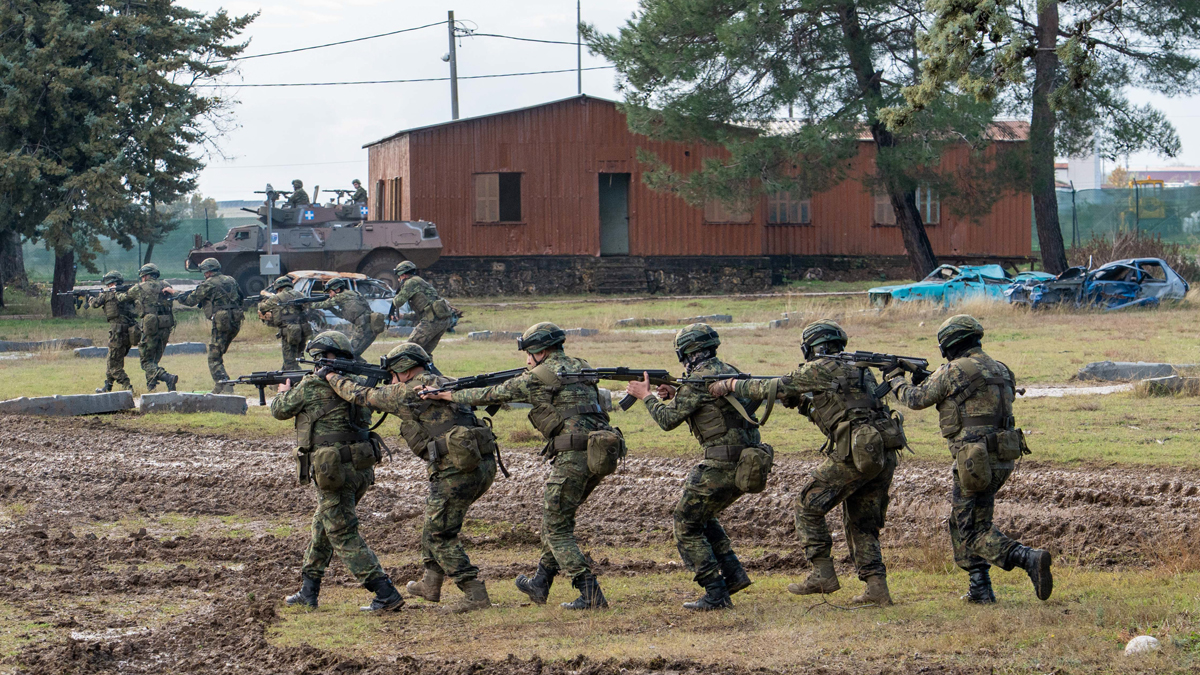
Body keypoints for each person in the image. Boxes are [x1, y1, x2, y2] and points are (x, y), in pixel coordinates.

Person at [421, 322, 622, 610]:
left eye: (529, 353)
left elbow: (490, 394)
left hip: (573, 457)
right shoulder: (582, 366)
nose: (527, 360)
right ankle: (541, 582)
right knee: (556, 520)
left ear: (540, 351)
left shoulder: (539, 376)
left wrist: (445, 395)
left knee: (557, 529)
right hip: (599, 453)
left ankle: (590, 593)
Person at [708, 320, 906, 606]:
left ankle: (822, 574)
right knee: (863, 522)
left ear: (810, 347)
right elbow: (840, 412)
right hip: (882, 452)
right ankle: (877, 589)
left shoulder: (819, 368)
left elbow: (771, 387)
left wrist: (729, 384)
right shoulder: (860, 370)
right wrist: (803, 404)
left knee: (808, 505)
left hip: (854, 453)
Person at [886, 314, 1052, 604]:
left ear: (949, 345)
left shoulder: (953, 370)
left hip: (974, 461)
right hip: (1002, 457)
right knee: (963, 521)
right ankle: (980, 588)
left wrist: (894, 379)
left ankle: (1027, 558)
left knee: (971, 531)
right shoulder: (1001, 368)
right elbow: (976, 398)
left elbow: (915, 399)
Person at [324, 342, 498, 613]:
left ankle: (474, 592)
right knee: (434, 523)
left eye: (392, 374)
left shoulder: (406, 392)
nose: (391, 380)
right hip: (482, 464)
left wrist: (331, 376)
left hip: (456, 471)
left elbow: (361, 395)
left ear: (404, 370)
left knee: (440, 533)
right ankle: (431, 583)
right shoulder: (444, 382)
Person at [625, 323, 762, 611]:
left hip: (721, 464)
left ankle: (715, 592)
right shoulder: (728, 371)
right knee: (703, 516)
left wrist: (645, 396)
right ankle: (733, 574)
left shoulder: (697, 380)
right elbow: (714, 405)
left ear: (686, 352)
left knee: (685, 523)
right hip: (746, 461)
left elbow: (667, 421)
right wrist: (678, 392)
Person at [273, 331, 403, 613]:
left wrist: (282, 392)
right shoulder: (357, 383)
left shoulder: (312, 385)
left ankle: (385, 592)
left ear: (328, 357)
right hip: (359, 468)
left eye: (320, 357)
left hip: (334, 471)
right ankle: (309, 591)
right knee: (323, 527)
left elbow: (280, 410)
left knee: (342, 533)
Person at [169, 258, 243, 394]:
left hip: (222, 322)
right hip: (236, 321)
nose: (204, 274)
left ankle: (224, 385)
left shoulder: (209, 284)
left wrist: (174, 293)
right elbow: (241, 297)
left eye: (204, 271)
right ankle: (223, 385)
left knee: (213, 356)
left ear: (208, 271)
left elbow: (190, 300)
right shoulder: (231, 280)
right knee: (218, 352)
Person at [117, 263, 179, 392]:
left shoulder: (139, 288)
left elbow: (122, 298)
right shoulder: (166, 285)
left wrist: (115, 292)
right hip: (166, 325)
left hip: (151, 327)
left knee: (146, 361)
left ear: (144, 276)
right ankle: (151, 387)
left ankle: (167, 377)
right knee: (154, 359)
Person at [391, 261, 457, 354]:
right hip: (442, 321)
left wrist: (397, 293)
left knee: (409, 349)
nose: (399, 279)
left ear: (403, 275)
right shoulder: (420, 281)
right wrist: (403, 316)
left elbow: (398, 302)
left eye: (399, 276)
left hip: (431, 322)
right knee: (424, 354)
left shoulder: (410, 282)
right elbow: (423, 313)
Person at [308, 278, 384, 357]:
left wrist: (307, 304)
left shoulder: (340, 296)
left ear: (337, 290)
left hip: (363, 327)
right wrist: (331, 309)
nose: (330, 296)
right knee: (354, 353)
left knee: (350, 353)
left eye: (330, 292)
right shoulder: (353, 293)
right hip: (369, 326)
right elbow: (343, 315)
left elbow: (321, 304)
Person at [89, 270, 139, 393]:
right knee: (113, 359)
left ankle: (127, 386)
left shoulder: (108, 294)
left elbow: (95, 304)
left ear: (113, 283)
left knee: (113, 364)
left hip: (117, 331)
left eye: (108, 283)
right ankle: (108, 386)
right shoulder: (128, 293)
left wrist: (89, 298)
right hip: (129, 331)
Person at [257, 276, 312, 370]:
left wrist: (262, 300)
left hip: (289, 331)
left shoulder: (277, 297)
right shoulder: (300, 295)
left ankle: (293, 376)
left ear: (279, 288)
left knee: (290, 362)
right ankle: (286, 374)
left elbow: (263, 308)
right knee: (294, 358)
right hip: (303, 330)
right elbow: (309, 308)